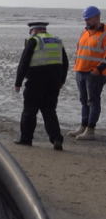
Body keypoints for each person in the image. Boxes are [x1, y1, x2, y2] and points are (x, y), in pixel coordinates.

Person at [13, 22, 69, 150]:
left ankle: (26, 139)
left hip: (35, 82)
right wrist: (62, 80)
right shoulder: (57, 41)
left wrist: (18, 82)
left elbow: (24, 62)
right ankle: (56, 138)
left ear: (35, 30)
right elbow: (65, 62)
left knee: (29, 111)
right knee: (49, 111)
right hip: (53, 83)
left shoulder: (34, 41)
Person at [66, 6, 106, 140]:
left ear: (97, 18)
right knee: (83, 101)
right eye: (85, 20)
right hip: (80, 71)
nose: (86, 22)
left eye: (88, 19)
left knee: (93, 101)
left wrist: (97, 70)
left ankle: (90, 130)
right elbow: (80, 49)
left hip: (95, 74)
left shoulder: (104, 33)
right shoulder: (85, 31)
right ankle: (83, 126)